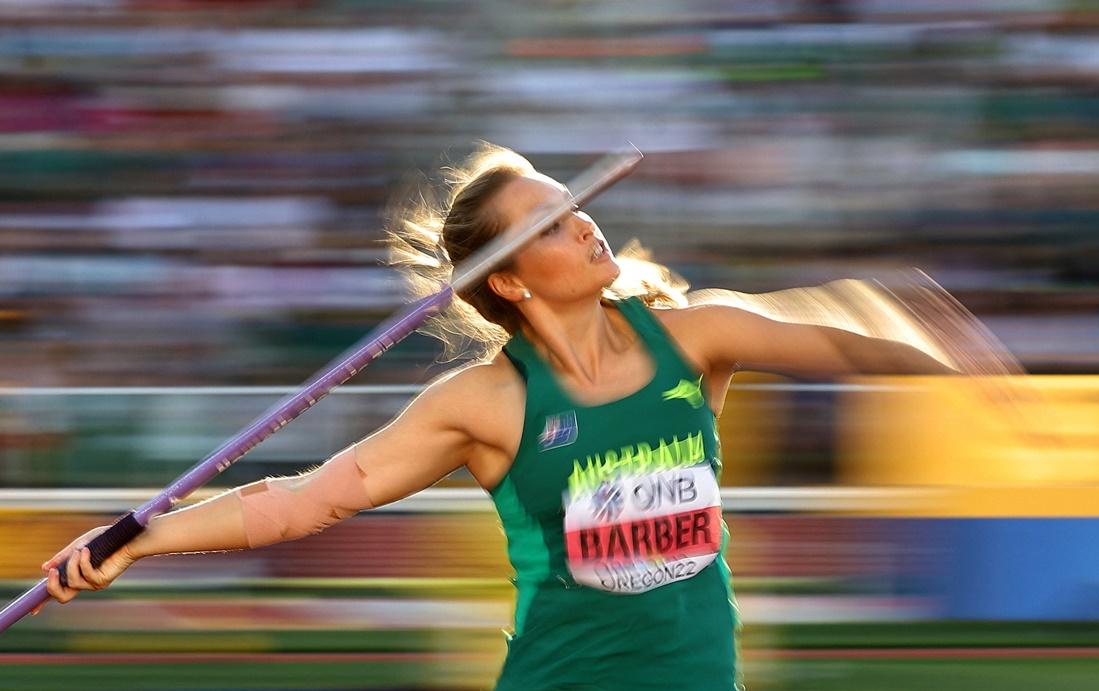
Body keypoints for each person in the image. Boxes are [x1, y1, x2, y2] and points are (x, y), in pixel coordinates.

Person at [42, 143, 953, 690]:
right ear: (511, 280)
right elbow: (304, 500)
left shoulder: (695, 337)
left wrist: (946, 357)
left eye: (576, 207)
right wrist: (139, 538)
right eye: (552, 223)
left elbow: (835, 337)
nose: (586, 225)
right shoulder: (484, 403)